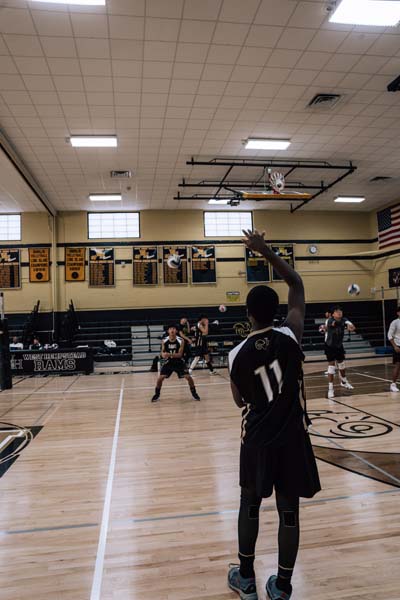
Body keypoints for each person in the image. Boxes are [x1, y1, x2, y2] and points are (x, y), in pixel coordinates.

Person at [227, 229, 320, 600]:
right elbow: (295, 283)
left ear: (248, 315)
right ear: (277, 312)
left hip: (257, 442)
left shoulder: (236, 355)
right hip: (292, 440)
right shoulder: (292, 334)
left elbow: (239, 402)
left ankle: (246, 578)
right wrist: (265, 250)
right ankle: (282, 586)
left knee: (249, 505)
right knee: (289, 512)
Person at [151, 325, 200, 402]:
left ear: (176, 331)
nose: (172, 330)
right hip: (169, 362)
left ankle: (194, 393)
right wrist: (162, 354)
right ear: (168, 331)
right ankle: (157, 394)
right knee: (160, 378)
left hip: (178, 361)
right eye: (170, 329)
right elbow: (162, 352)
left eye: (173, 329)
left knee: (188, 377)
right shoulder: (164, 340)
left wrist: (169, 354)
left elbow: (180, 354)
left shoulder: (181, 340)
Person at [325, 307, 356, 399]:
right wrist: (346, 324)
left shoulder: (344, 319)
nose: (339, 313)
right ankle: (330, 389)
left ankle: (344, 381)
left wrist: (351, 326)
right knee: (331, 367)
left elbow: (351, 326)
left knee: (341, 364)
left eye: (340, 311)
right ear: (333, 314)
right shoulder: (330, 321)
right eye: (336, 312)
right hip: (329, 346)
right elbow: (335, 324)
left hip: (339, 346)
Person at [387, 306, 400, 392]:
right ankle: (393, 384)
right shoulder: (395, 322)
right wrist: (395, 346)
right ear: (398, 313)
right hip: (398, 346)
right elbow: (389, 335)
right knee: (398, 365)